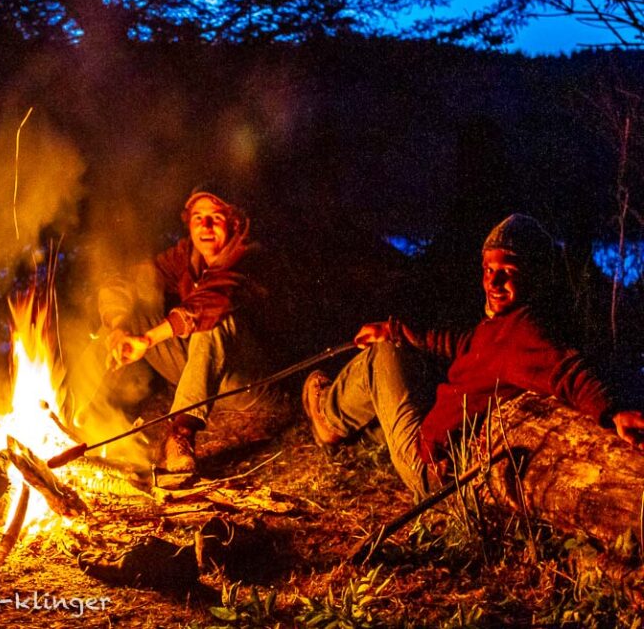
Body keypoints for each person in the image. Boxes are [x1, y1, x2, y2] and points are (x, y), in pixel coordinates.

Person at [303, 213, 644, 497]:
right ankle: (348, 422)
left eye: (508, 272)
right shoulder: (503, 326)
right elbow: (465, 345)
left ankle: (328, 418)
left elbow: (566, 370)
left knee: (384, 357)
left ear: (536, 276)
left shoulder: (525, 332)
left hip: (432, 471)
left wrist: (613, 411)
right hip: (436, 449)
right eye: (488, 270)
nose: (494, 283)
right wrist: (397, 330)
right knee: (397, 351)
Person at [71, 185, 268, 475]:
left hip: (245, 383)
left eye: (216, 216)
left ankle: (181, 435)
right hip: (197, 371)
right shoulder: (185, 256)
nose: (206, 225)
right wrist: (118, 327)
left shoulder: (247, 255)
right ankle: (70, 411)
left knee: (214, 322)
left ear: (234, 223)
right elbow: (127, 282)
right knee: (125, 319)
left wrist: (148, 338)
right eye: (198, 217)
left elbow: (207, 306)